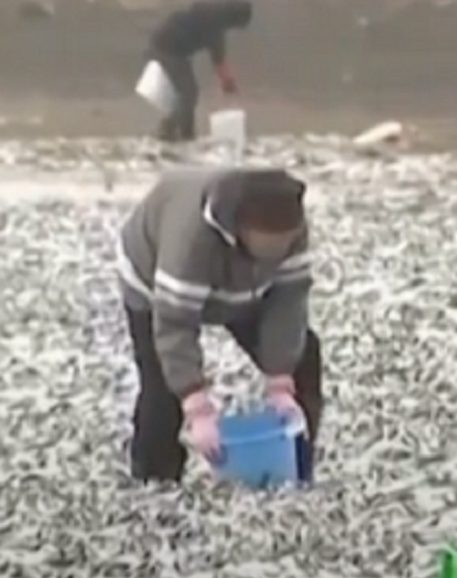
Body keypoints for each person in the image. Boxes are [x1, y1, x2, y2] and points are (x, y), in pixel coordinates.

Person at [116, 167, 321, 483]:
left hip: (245, 285)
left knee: (305, 356)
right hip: (154, 282)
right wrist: (197, 406)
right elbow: (175, 323)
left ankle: (295, 461)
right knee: (162, 388)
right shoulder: (191, 238)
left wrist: (281, 379)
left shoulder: (290, 224)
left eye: (286, 243)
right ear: (240, 228)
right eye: (270, 246)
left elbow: (289, 298)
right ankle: (154, 481)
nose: (280, 252)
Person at [143, 0, 253, 143]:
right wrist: (228, 83)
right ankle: (171, 132)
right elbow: (218, 60)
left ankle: (183, 133)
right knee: (188, 94)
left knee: (188, 93)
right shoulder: (214, 26)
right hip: (167, 50)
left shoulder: (211, 13)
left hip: (171, 48)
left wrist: (226, 81)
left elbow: (218, 58)